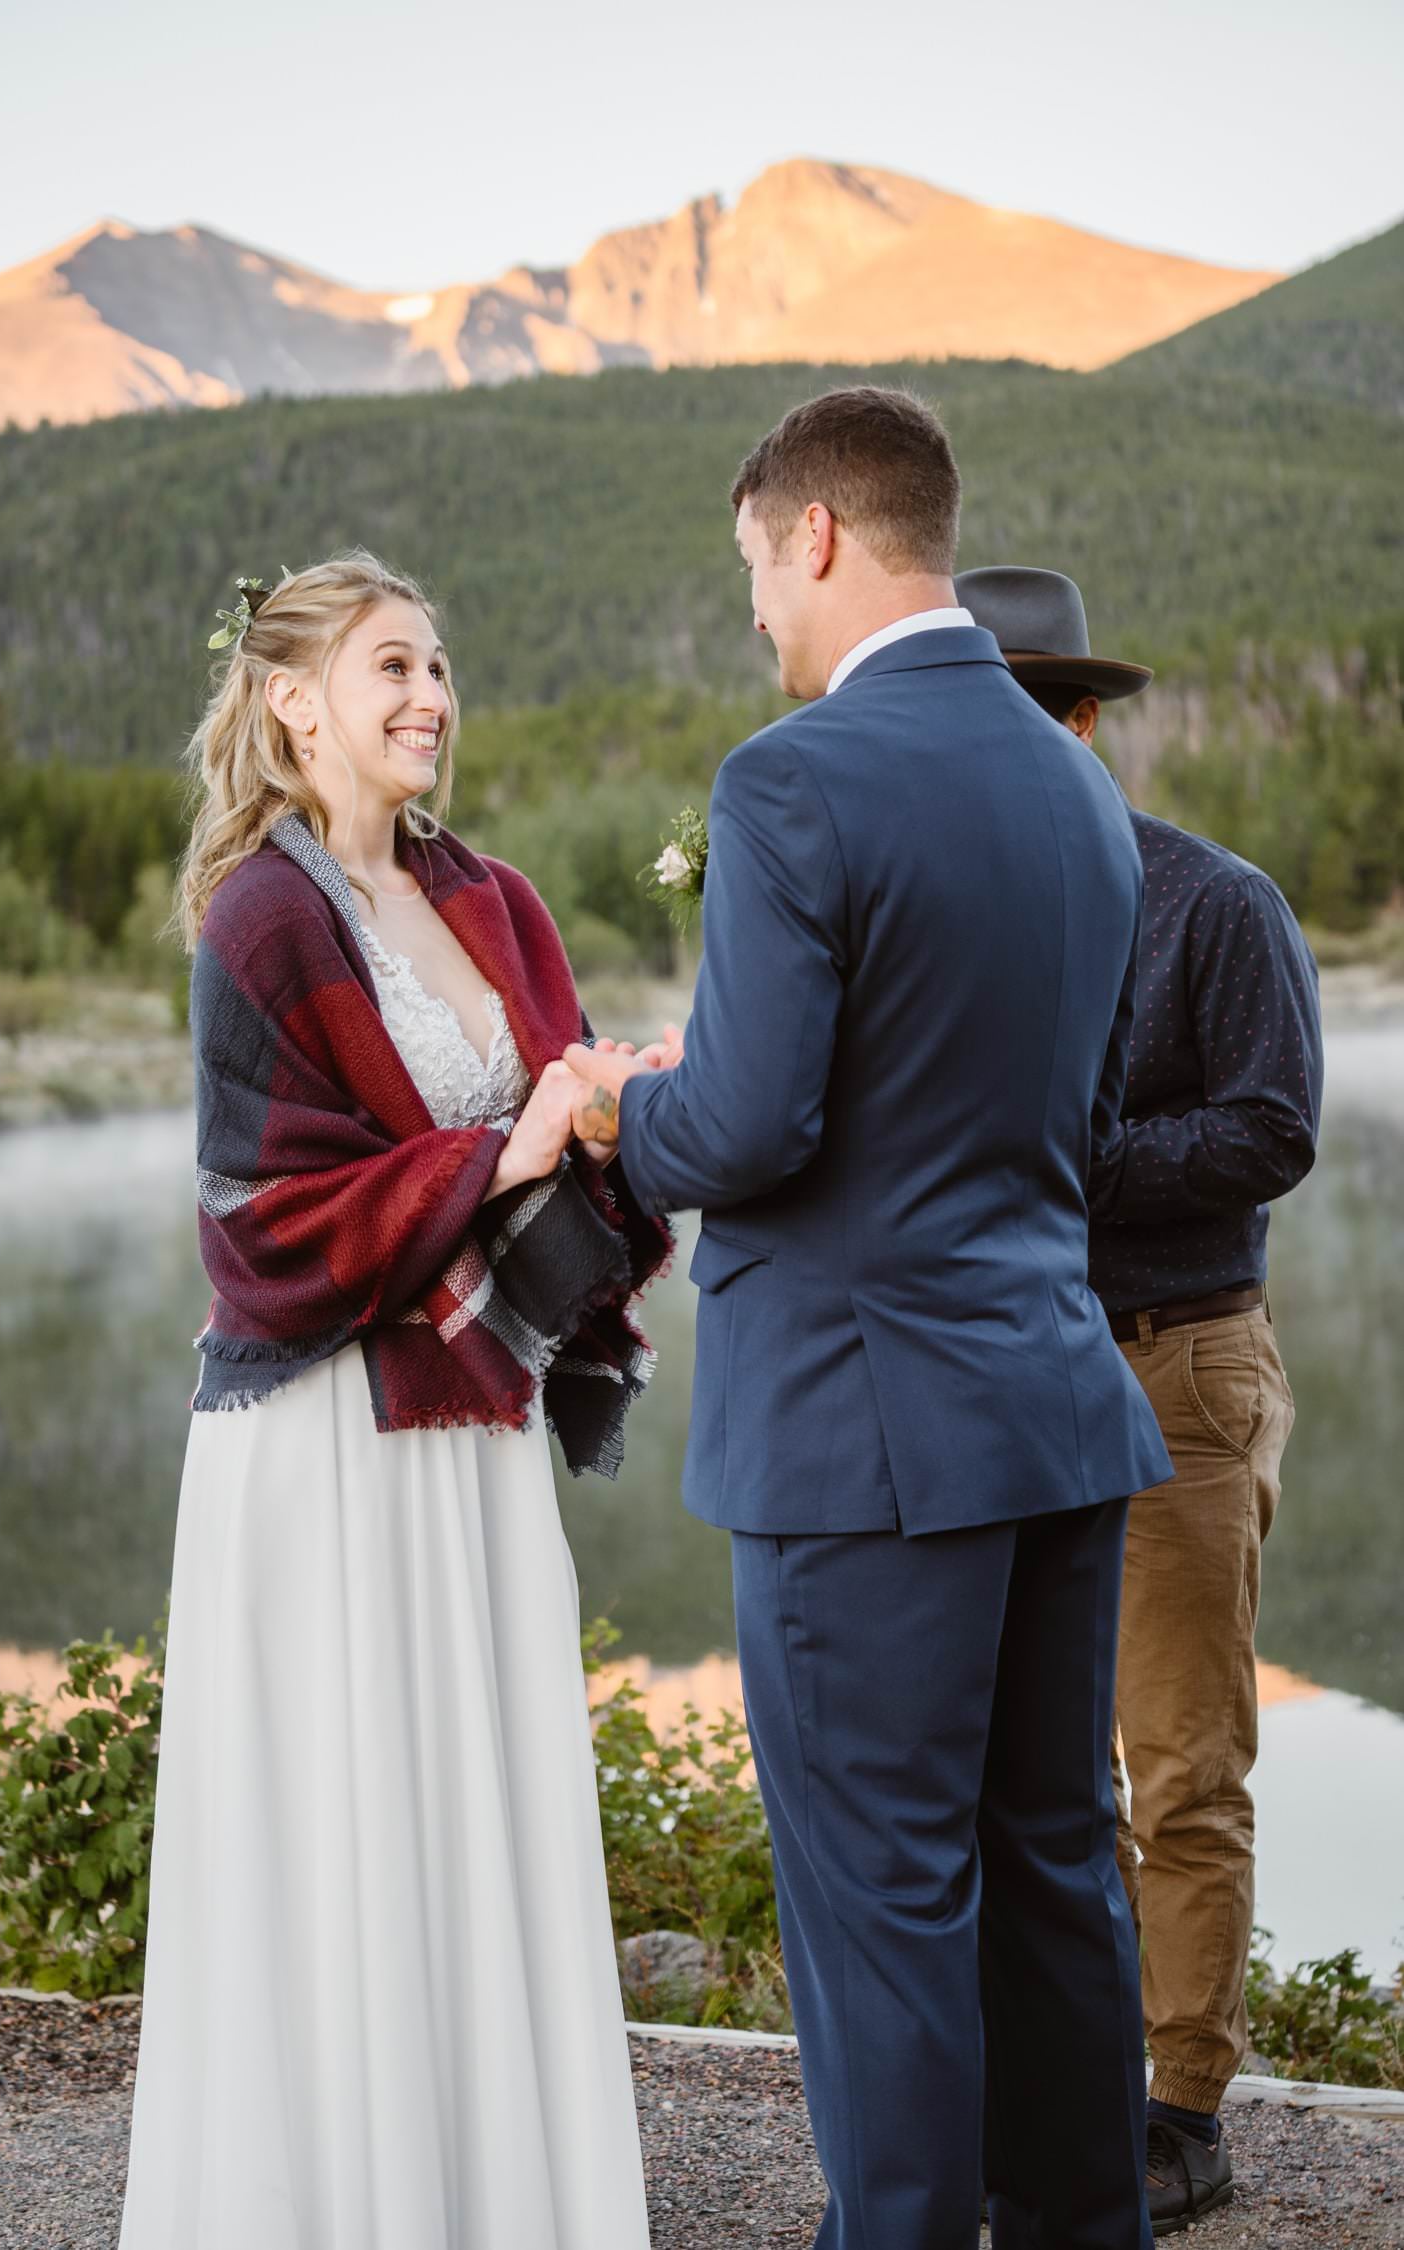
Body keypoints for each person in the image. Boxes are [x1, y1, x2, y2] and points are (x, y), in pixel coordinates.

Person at [560, 387, 1173, 2250]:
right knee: (1058, 1868)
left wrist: (614, 1107)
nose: (755, 605)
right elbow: (1022, 1112)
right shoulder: (1076, 783)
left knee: (883, 1897)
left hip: (863, 1443)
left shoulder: (794, 778)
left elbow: (746, 1125)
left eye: (752, 561)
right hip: (1053, 1407)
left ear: (816, 534)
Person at [117, 550, 670, 2250]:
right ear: (294, 702)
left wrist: (604, 1111)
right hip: (324, 1441)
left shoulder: (498, 900)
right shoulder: (258, 922)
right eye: (390, 669)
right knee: (339, 1841)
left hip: (474, 1428)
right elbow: (256, 1229)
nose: (429, 697)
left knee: (474, 1818)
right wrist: (491, 1149)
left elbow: (550, 1133)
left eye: (438, 666)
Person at [958, 565, 1323, 2236]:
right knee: (1041, 1772)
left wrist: (1069, 1161)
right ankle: (1069, 2079)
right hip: (1021, 1369)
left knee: (1180, 1763)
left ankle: (1184, 2109)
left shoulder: (1213, 902)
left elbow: (1271, 1130)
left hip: (1181, 1361)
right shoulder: (960, 921)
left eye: (1021, 713)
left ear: (1084, 720)